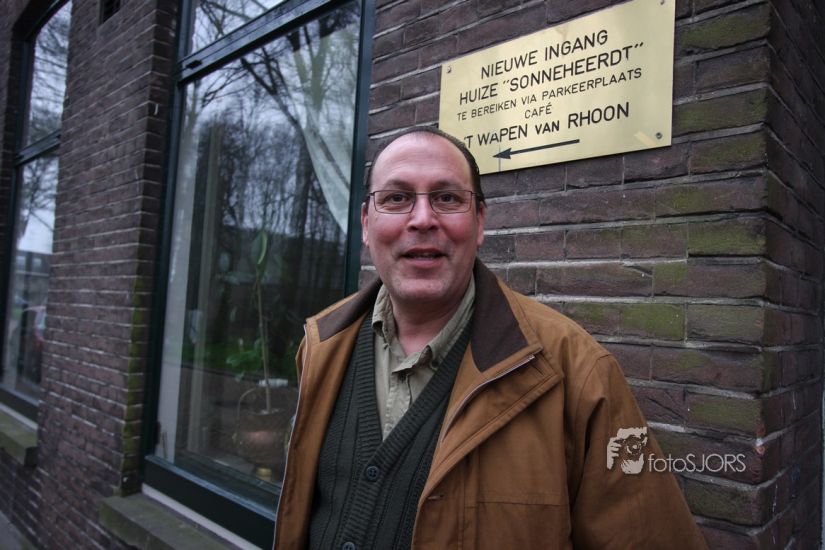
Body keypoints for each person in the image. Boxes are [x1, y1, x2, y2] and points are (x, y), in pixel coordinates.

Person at [273, 126, 708, 549]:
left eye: (447, 198)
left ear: (479, 222)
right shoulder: (322, 345)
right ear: (367, 224)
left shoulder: (577, 373)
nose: (422, 219)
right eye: (397, 198)